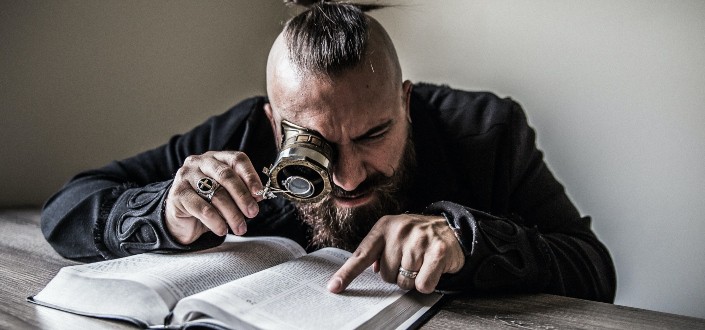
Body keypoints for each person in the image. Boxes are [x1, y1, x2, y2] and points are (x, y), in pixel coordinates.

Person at [41, 0, 616, 302]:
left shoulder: (487, 129)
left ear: (406, 104)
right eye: (310, 145)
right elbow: (67, 209)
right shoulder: (241, 136)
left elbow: (595, 272)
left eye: (373, 135)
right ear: (273, 123)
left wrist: (468, 239)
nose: (346, 176)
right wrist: (168, 210)